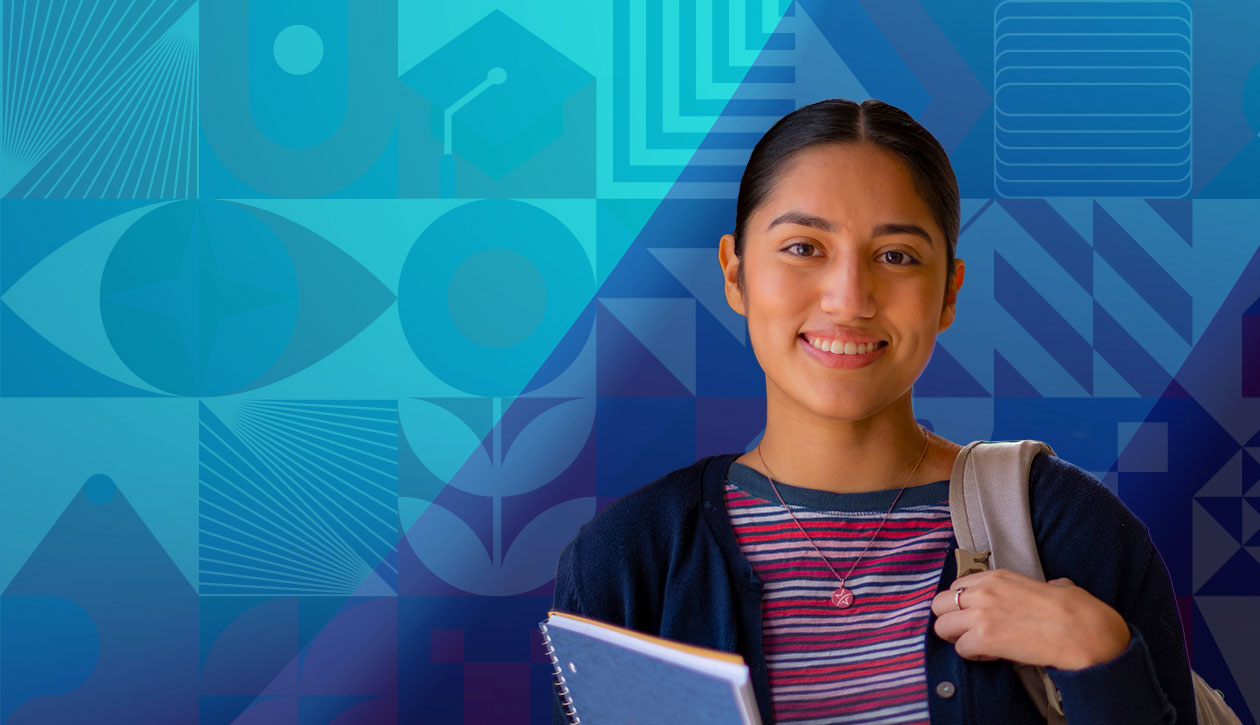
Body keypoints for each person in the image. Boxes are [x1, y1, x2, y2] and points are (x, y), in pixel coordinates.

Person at [549, 98, 1195, 724]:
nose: (849, 298)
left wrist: (1099, 660)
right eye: (804, 247)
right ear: (735, 273)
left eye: (896, 256)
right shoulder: (627, 566)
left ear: (948, 293)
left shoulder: (1074, 534)